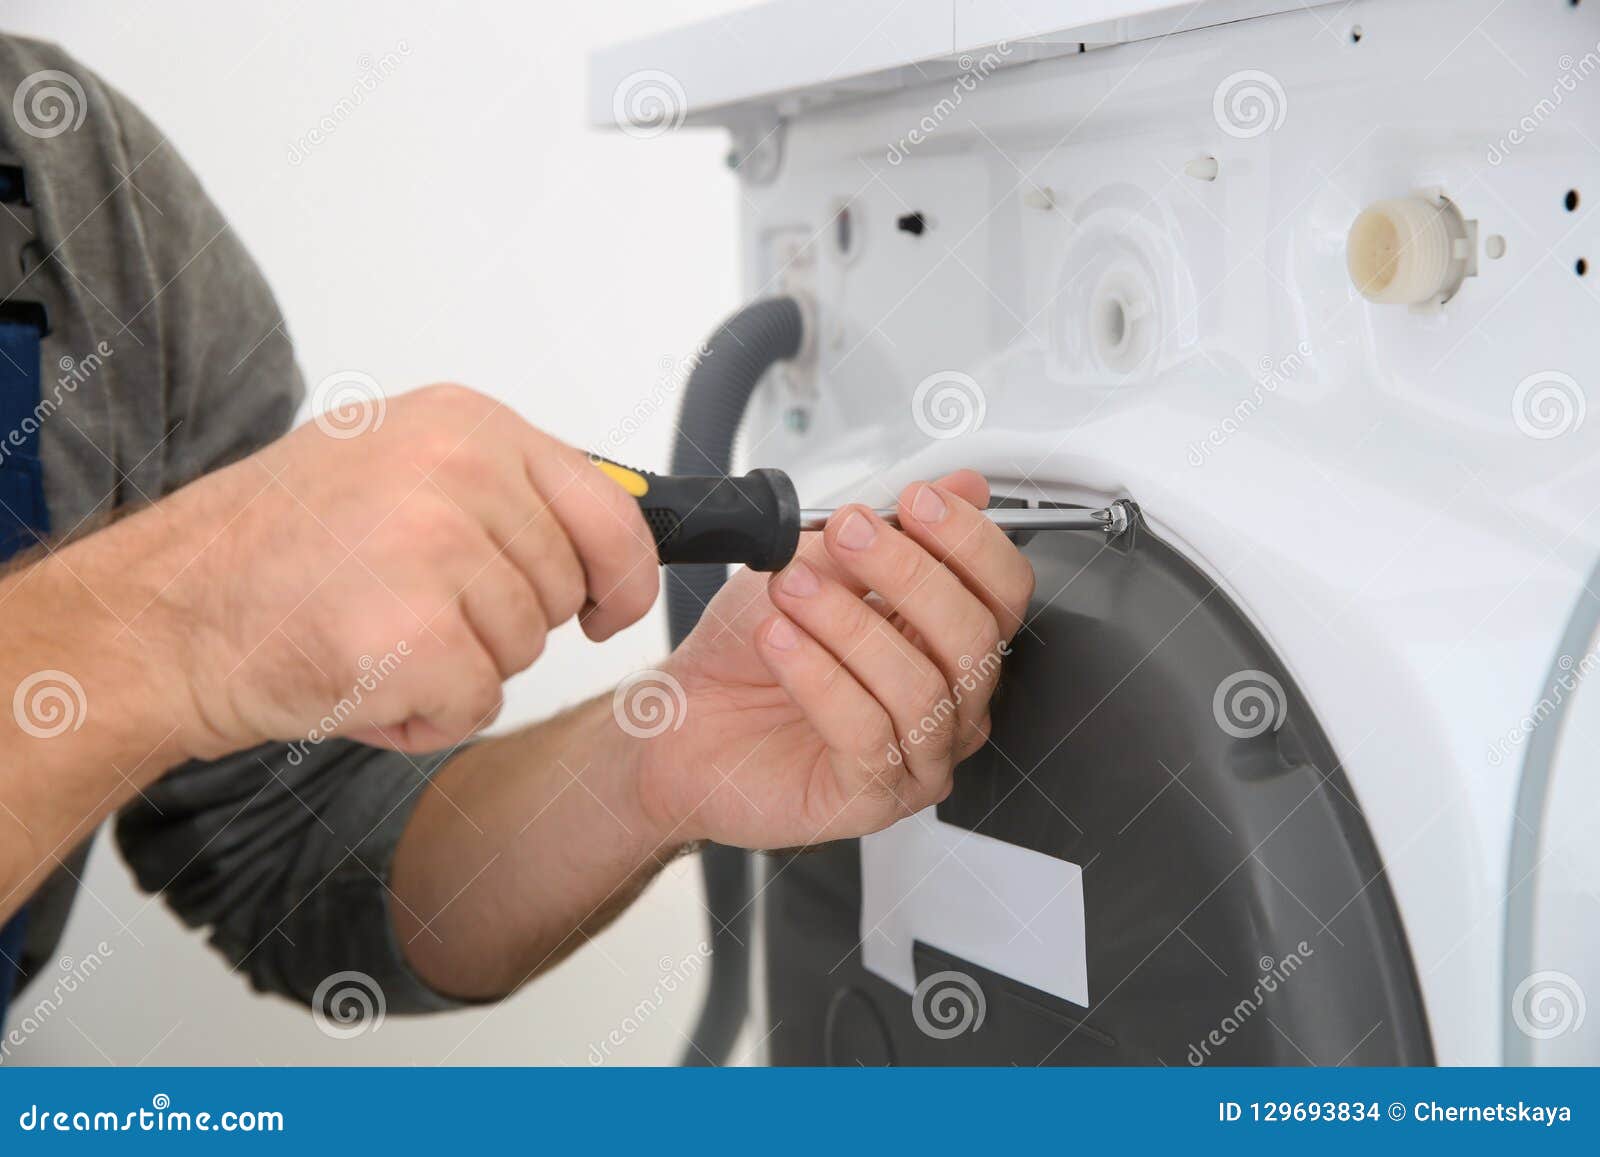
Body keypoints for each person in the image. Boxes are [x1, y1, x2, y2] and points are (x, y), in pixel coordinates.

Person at [0, 36, 1034, 1024]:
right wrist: (182, 627)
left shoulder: (80, 180)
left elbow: (287, 857)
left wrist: (655, 760)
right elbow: (189, 651)